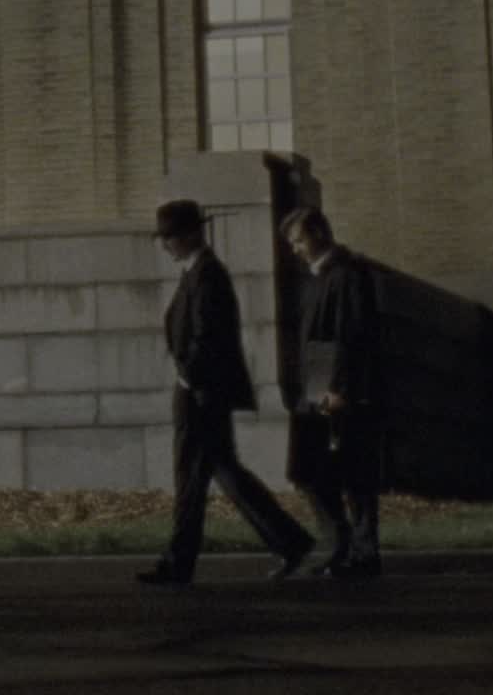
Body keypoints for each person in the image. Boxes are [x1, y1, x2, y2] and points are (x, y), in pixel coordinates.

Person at [134, 198, 316, 586]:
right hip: (202, 391)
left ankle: (180, 562)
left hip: (200, 393)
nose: (165, 245)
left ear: (189, 235)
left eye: (169, 237)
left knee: (193, 476)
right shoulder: (198, 273)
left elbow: (207, 336)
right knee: (222, 471)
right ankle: (288, 541)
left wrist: (188, 377)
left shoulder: (207, 275)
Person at [280, 206, 385, 578]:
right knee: (308, 469)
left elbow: (350, 334)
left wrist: (341, 389)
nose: (295, 249)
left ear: (319, 234)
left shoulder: (347, 275)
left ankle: (363, 552)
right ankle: (341, 543)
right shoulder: (318, 278)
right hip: (316, 386)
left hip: (339, 390)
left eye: (299, 240)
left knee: (355, 474)